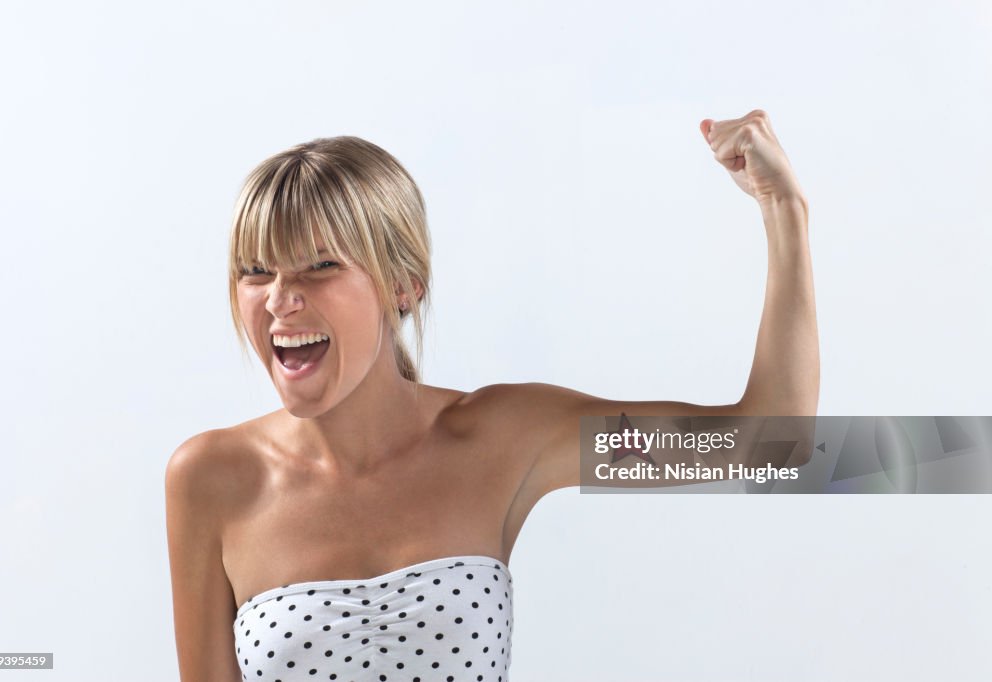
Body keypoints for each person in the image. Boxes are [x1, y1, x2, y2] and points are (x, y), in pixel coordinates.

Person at [165, 109, 820, 681]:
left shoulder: (505, 438)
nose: (280, 298)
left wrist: (782, 209)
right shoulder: (213, 478)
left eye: (320, 265)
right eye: (255, 271)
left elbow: (769, 442)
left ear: (404, 286)